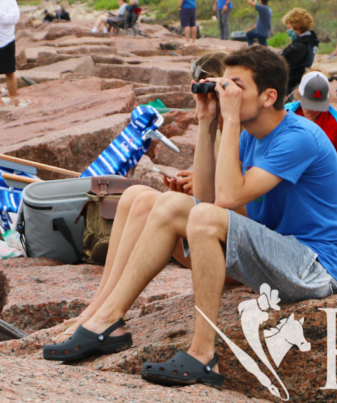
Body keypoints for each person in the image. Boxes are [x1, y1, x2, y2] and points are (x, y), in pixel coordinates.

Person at [43, 47, 337, 389]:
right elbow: (205, 196)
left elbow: (226, 199)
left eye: (235, 85)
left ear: (269, 96)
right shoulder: (249, 135)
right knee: (157, 201)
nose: (225, 93)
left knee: (202, 217)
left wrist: (230, 120)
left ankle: (203, 354)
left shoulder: (299, 137)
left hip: (313, 267)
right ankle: (106, 320)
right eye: (223, 84)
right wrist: (207, 122)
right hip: (272, 254)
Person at [48, 52, 233, 342]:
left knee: (155, 204)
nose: (206, 95)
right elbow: (208, 195)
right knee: (136, 195)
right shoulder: (216, 127)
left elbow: (232, 205)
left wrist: (200, 187)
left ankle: (106, 317)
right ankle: (96, 309)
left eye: (210, 88)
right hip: (212, 233)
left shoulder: (240, 128)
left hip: (229, 252)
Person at [294, 71, 337, 158]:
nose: (315, 109)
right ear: (299, 95)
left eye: (319, 105)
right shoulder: (288, 117)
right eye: (310, 105)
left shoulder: (333, 124)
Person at [279, 7, 319, 98]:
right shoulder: (311, 42)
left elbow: (279, 63)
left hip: (289, 87)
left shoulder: (298, 47)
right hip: (299, 82)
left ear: (297, 26)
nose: (288, 31)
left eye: (289, 28)